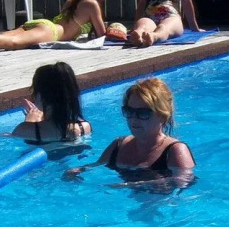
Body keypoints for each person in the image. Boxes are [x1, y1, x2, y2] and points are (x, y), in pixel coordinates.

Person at [64, 77, 194, 186]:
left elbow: (184, 181)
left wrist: (134, 184)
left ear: (162, 115)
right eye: (129, 111)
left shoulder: (175, 151)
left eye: (143, 113)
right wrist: (79, 170)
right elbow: (97, 165)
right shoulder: (118, 146)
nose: (133, 118)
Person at [11, 62, 91, 145]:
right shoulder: (85, 127)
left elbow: (6, 137)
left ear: (41, 95)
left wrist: (29, 122)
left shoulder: (25, 130)